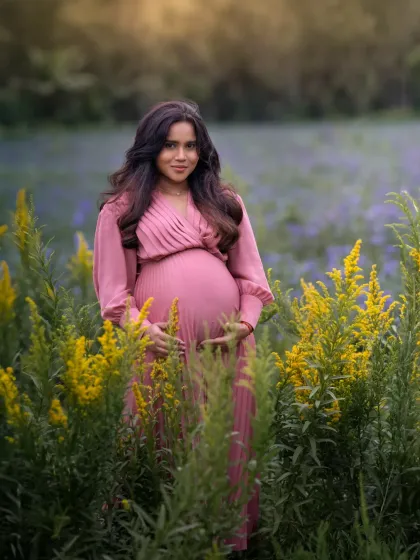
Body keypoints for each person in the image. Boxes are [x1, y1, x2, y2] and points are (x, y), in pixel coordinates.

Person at [92, 100, 274, 551]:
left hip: (225, 349)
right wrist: (141, 329)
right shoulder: (121, 211)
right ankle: (160, 542)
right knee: (162, 441)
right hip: (162, 348)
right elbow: (114, 294)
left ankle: (226, 544)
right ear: (149, 149)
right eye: (170, 145)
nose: (181, 156)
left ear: (202, 150)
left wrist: (244, 325)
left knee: (228, 443)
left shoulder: (225, 203)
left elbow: (251, 279)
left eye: (191, 146)